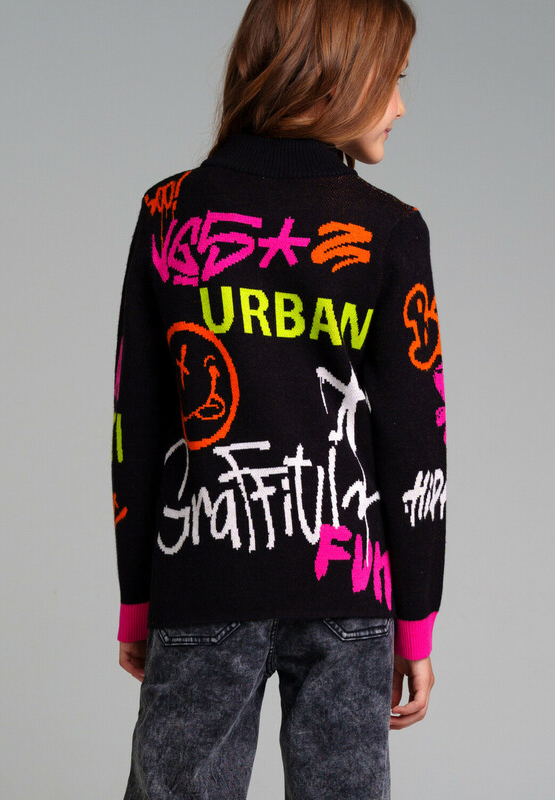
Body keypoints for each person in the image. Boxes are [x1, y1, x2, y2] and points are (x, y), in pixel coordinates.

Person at [112, 0, 447, 797]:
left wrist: (138, 599)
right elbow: (416, 439)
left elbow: (137, 421)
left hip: (203, 571)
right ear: (336, 76)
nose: (402, 106)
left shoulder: (169, 213)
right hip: (350, 583)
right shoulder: (390, 230)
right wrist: (417, 619)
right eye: (394, 80)